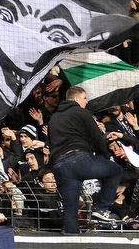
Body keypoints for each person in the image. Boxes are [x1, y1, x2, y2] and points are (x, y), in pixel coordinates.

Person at [48, 86, 123, 234]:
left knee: (70, 207)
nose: (86, 102)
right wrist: (105, 156)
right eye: (84, 98)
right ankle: (101, 208)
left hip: (60, 165)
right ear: (76, 99)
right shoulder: (81, 112)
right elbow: (96, 136)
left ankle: (71, 237)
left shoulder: (53, 118)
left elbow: (51, 142)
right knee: (116, 171)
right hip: (79, 159)